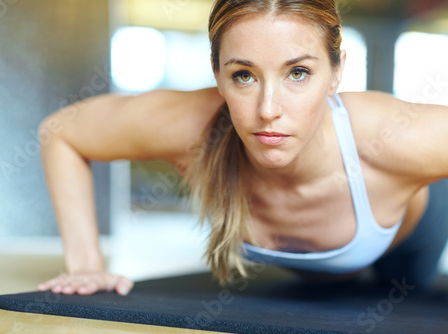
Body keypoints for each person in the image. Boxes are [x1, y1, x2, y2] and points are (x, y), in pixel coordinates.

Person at [37, 0, 448, 296]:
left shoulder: (392, 136)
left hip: (408, 240)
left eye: (298, 72)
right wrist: (87, 264)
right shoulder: (192, 126)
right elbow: (62, 133)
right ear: (217, 73)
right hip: (315, 278)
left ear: (337, 71)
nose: (268, 110)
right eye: (244, 76)